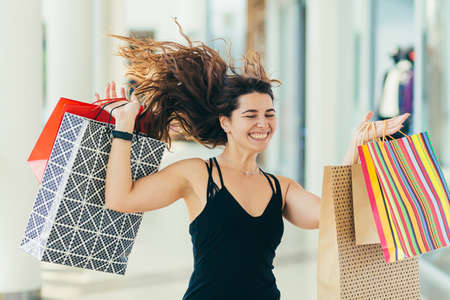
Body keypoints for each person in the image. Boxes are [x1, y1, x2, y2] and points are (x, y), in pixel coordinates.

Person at [95, 20, 409, 300]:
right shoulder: (197, 174)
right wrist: (123, 127)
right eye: (251, 115)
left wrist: (355, 146)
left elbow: (330, 213)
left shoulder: (280, 188)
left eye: (269, 114)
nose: (263, 123)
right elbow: (121, 198)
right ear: (226, 122)